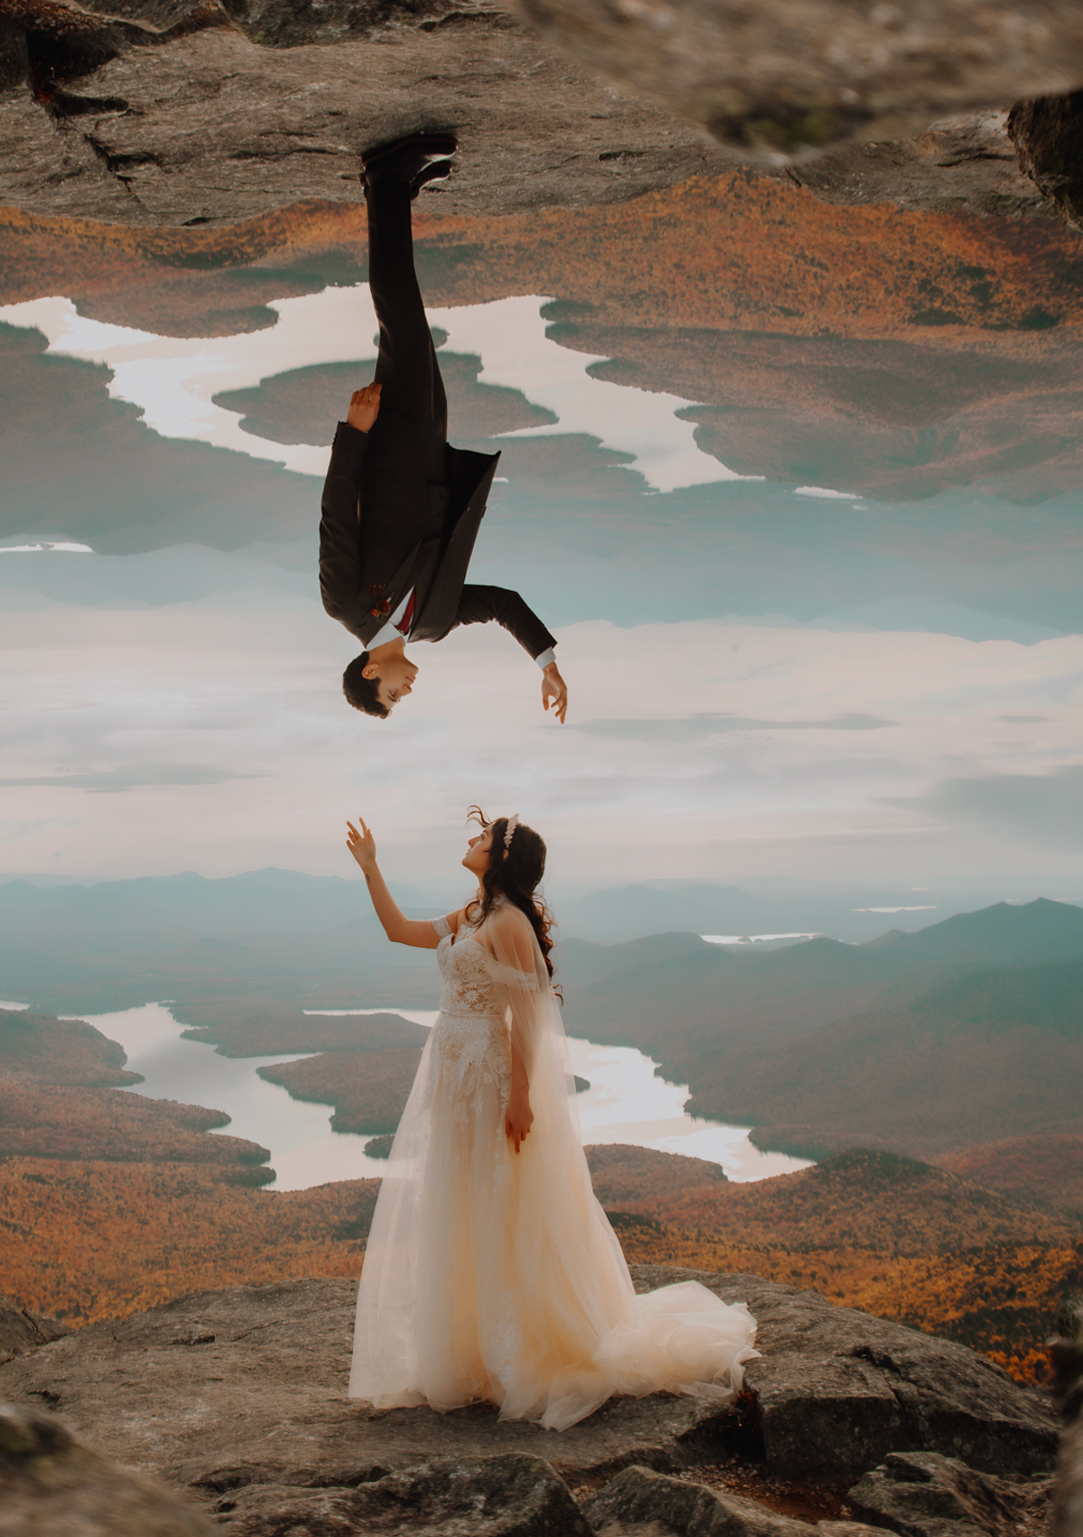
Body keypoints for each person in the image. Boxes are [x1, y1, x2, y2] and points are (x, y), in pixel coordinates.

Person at [342, 807, 759, 1431]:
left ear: (501, 858)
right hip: (451, 1073)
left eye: (481, 837)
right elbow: (400, 931)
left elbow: (529, 1014)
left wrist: (520, 1095)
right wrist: (372, 869)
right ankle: (468, 1352)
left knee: (495, 1201)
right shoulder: (473, 913)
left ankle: (510, 1355)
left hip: (486, 1075)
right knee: (456, 1199)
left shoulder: (507, 923)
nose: (470, 840)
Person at [320, 135, 569, 723]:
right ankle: (393, 197)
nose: (408, 691)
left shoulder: (345, 605)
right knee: (411, 323)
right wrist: (547, 661)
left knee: (401, 316)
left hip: (388, 438)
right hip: (432, 446)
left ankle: (384, 179)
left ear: (370, 672)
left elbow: (336, 512)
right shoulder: (431, 623)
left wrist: (355, 432)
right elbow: (503, 604)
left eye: (393, 694)